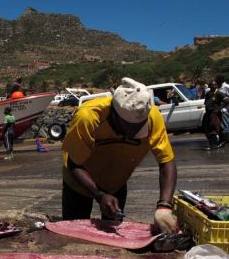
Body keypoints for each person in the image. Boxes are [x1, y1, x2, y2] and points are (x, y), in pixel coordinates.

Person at [62, 77, 178, 233]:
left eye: (138, 127)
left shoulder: (152, 116)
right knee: (75, 234)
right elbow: (74, 163)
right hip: (79, 183)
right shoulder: (88, 117)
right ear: (114, 114)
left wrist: (164, 206)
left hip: (116, 183)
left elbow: (166, 161)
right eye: (128, 126)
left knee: (114, 235)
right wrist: (99, 195)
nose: (132, 132)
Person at [202, 80, 221, 150]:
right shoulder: (208, 94)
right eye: (212, 85)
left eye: (215, 84)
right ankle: (212, 144)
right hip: (208, 112)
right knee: (206, 128)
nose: (214, 86)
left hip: (214, 113)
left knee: (213, 128)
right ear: (209, 86)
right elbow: (205, 103)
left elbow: (226, 100)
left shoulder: (219, 93)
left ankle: (214, 145)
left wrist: (219, 109)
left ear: (217, 85)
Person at [215, 75, 229, 145]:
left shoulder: (226, 87)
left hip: (225, 108)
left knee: (225, 124)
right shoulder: (219, 87)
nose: (215, 81)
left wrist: (223, 107)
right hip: (222, 108)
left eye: (216, 80)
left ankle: (225, 140)